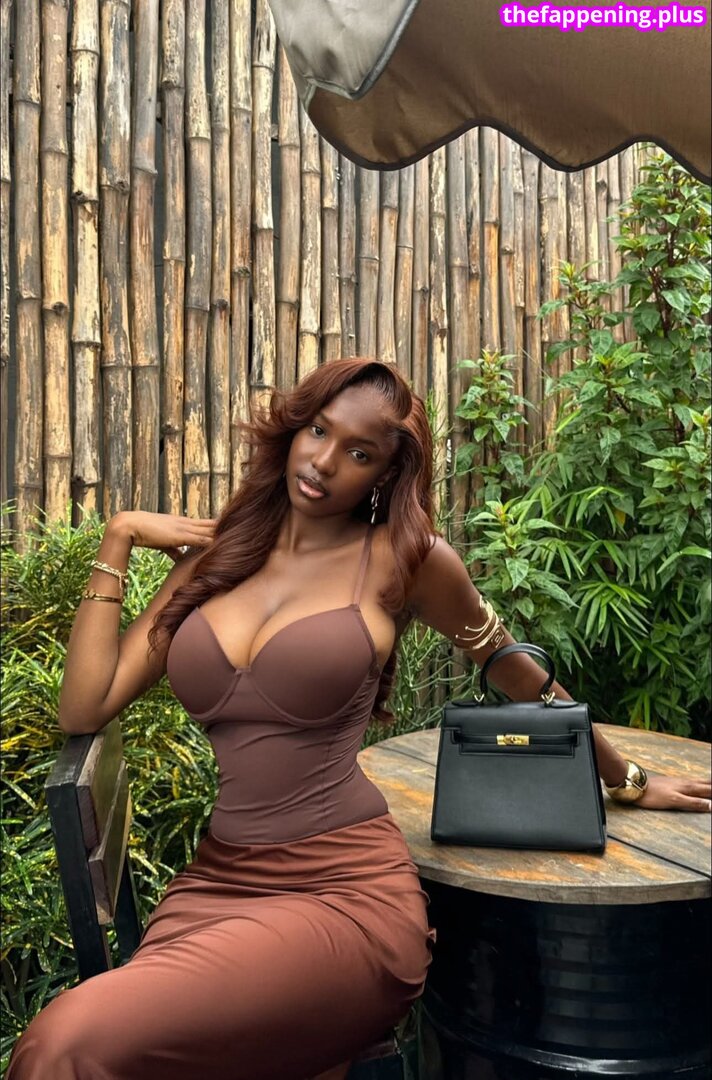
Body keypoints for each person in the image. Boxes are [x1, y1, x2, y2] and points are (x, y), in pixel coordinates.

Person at [7, 358, 711, 1080]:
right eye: (318, 431)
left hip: (345, 894)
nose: (324, 461)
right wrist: (118, 538)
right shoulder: (219, 560)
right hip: (217, 887)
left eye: (360, 453)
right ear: (292, 429)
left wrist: (626, 778)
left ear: (384, 475)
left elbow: (512, 668)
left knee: (63, 1044)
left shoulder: (404, 560)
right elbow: (85, 705)